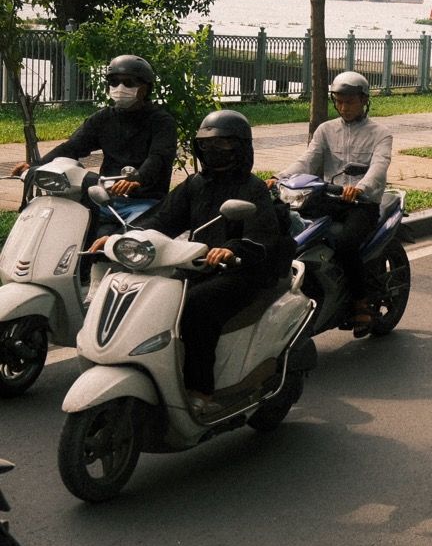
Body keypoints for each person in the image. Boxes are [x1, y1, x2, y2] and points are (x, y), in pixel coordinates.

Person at [93, 111, 287, 413]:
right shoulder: (196, 184)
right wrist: (122, 238)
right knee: (150, 297)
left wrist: (231, 249)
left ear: (240, 147)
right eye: (206, 145)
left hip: (242, 271)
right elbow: (162, 219)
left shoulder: (253, 188)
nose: (213, 150)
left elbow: (260, 237)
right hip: (196, 265)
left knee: (196, 306)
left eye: (222, 144)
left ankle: (201, 389)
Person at [275, 71, 393, 335]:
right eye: (339, 101)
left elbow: (379, 167)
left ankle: (360, 304)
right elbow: (308, 160)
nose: (343, 107)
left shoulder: (381, 133)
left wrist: (360, 188)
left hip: (362, 204)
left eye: (349, 102)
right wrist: (279, 177)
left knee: (346, 243)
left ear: (364, 101)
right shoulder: (326, 130)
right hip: (328, 198)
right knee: (289, 226)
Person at [14, 54, 178, 225]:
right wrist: (36, 165)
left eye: (128, 82)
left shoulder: (161, 122)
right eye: (114, 82)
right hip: (103, 198)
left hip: (144, 202)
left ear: (145, 88)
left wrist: (138, 178)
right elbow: (72, 147)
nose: (120, 87)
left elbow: (158, 158)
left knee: (133, 237)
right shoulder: (103, 118)